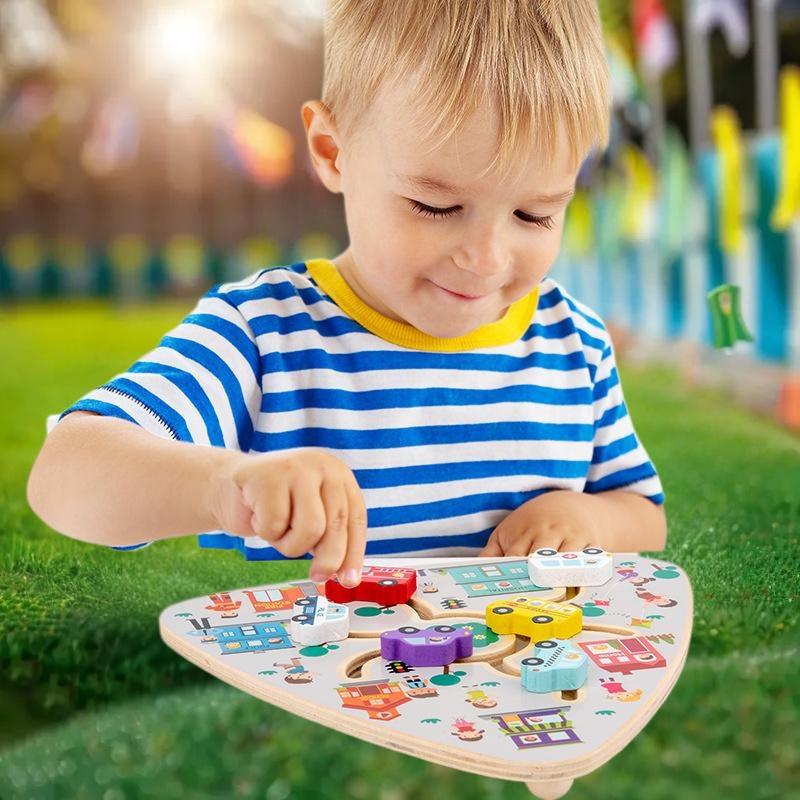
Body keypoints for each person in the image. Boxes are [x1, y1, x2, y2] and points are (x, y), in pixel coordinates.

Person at [26, 0, 666, 589]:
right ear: (333, 152)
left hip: (518, 674)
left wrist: (588, 519)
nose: (486, 258)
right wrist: (227, 486)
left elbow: (642, 513)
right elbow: (66, 472)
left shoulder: (574, 342)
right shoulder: (267, 334)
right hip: (321, 673)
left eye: (534, 214)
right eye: (435, 206)